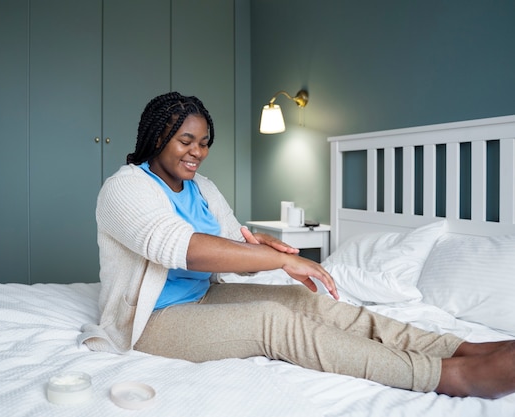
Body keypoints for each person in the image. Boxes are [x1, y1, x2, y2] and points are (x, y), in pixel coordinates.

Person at [81, 91, 515, 399]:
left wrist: (263, 250)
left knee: (308, 302)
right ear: (156, 137)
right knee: (273, 320)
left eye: (205, 143)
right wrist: (273, 258)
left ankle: (458, 347)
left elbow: (232, 247)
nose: (198, 152)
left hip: (202, 296)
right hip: (150, 320)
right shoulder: (125, 189)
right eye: (186, 141)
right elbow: (183, 247)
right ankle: (446, 375)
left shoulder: (202, 187)